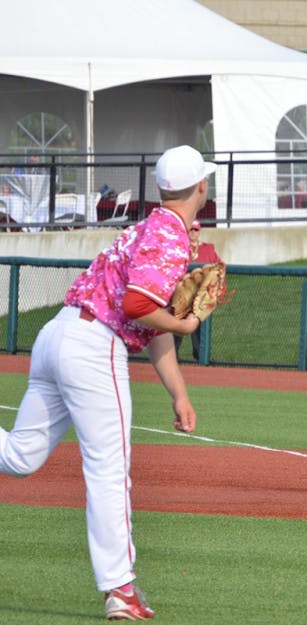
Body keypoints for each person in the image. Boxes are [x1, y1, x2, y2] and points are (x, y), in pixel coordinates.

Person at [0, 144, 216, 620]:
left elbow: (146, 316)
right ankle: (120, 589)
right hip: (93, 348)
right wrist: (184, 325)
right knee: (108, 470)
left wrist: (178, 393)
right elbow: (141, 309)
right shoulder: (170, 237)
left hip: (58, 334)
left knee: (18, 456)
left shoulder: (149, 228)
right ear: (201, 186)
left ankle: (119, 586)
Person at [173, 219, 222, 360]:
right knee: (177, 327)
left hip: (201, 297)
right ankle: (174, 359)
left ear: (200, 231)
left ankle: (200, 359)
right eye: (191, 229)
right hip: (182, 295)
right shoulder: (180, 248)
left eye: (196, 230)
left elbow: (217, 267)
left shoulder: (208, 249)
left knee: (199, 328)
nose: (193, 233)